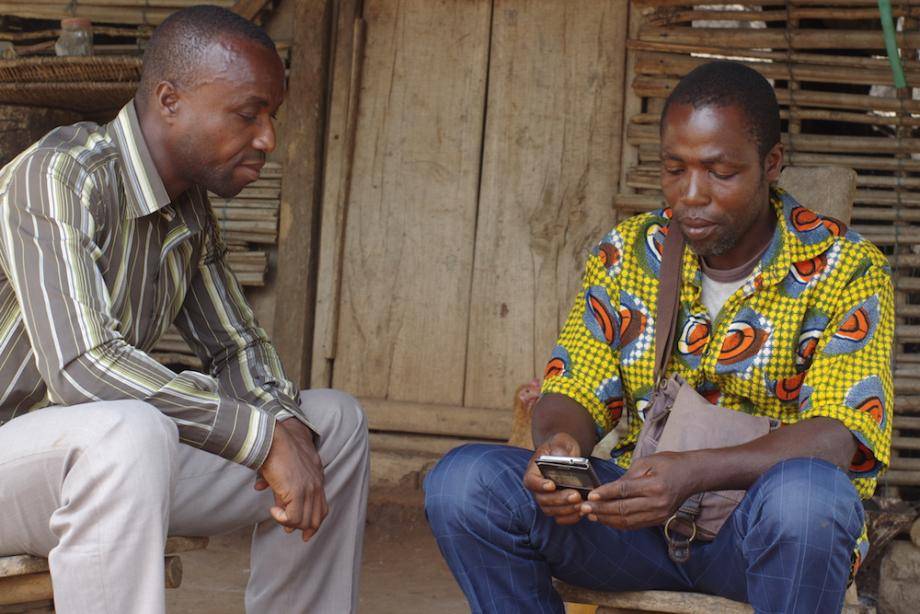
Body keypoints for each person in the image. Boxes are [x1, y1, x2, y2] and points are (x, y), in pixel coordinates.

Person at [425, 60, 893, 613]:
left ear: (771, 163)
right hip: (633, 524)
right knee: (463, 485)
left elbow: (837, 436)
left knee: (809, 501)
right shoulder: (630, 251)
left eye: (720, 172)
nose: (691, 194)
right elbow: (575, 383)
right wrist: (561, 447)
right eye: (675, 169)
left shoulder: (847, 267)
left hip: (761, 538)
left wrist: (693, 473)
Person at [0, 6, 368, 613]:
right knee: (127, 430)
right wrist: (260, 437)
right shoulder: (59, 176)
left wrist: (285, 425)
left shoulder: (189, 210)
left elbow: (236, 346)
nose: (268, 139)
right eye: (248, 114)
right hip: (19, 459)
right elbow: (82, 368)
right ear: (170, 101)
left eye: (272, 117)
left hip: (98, 469)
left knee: (334, 424)